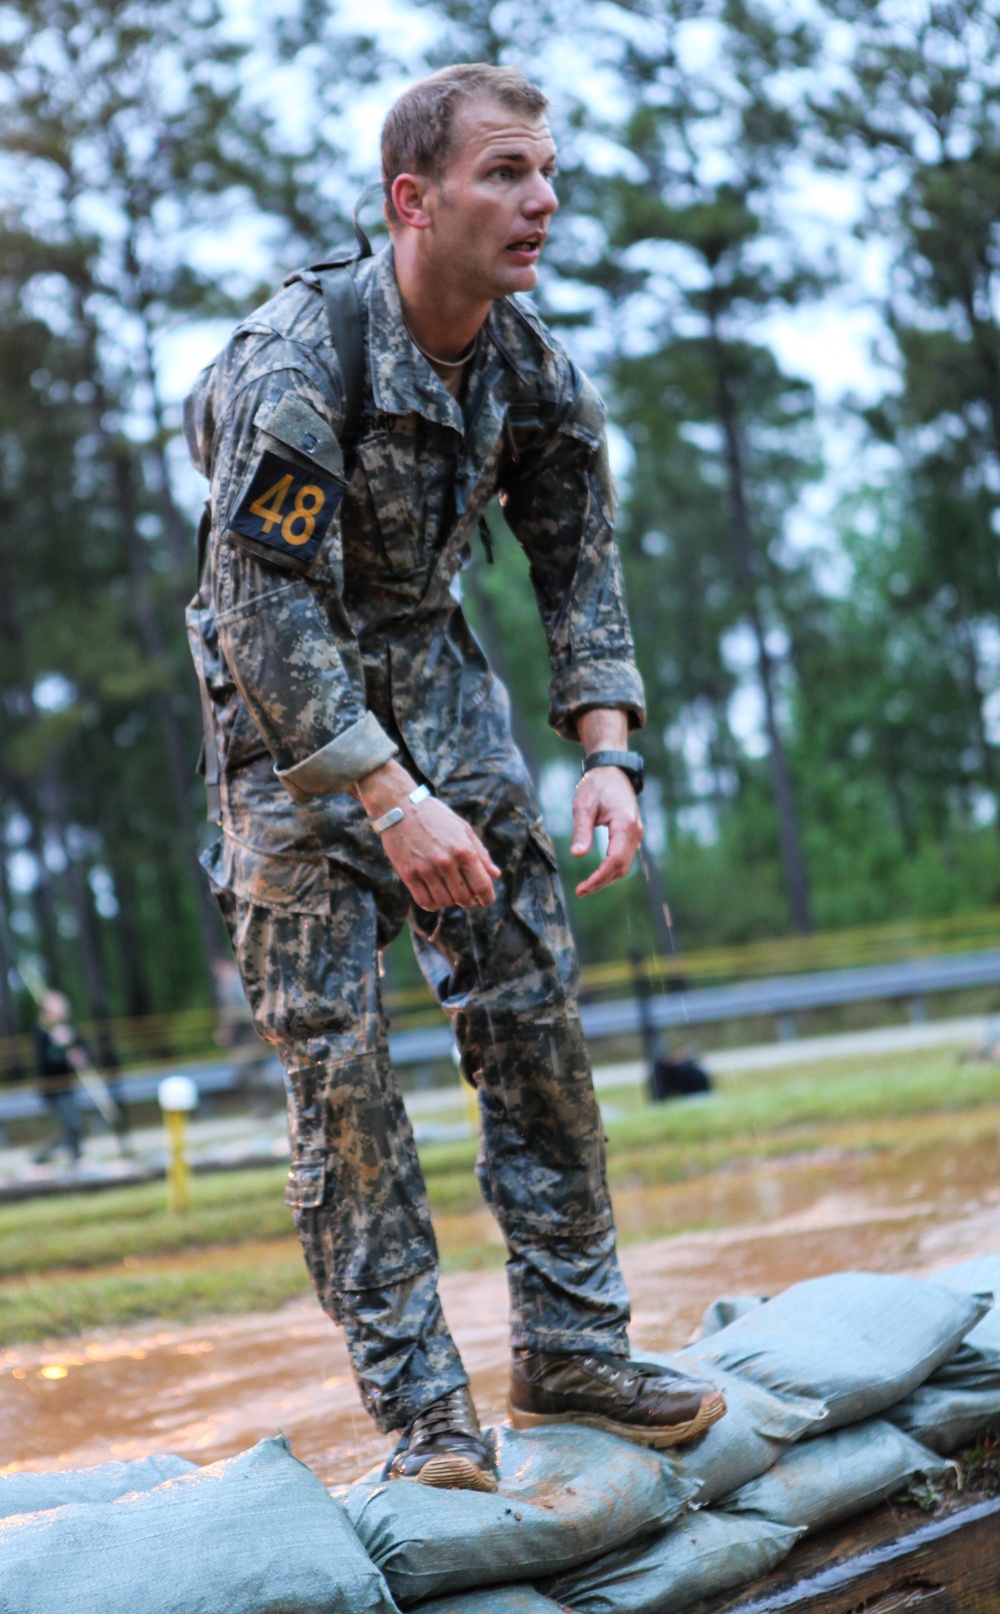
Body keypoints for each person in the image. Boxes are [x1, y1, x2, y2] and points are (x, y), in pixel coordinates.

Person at [184, 62, 726, 1493]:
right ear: (411, 200)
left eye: (547, 171)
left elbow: (576, 554)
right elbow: (260, 610)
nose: (541, 199)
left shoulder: (528, 362)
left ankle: (573, 1345)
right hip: (279, 713)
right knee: (341, 1063)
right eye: (505, 172)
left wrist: (609, 756)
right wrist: (383, 795)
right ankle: (427, 1414)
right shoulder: (298, 359)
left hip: (431, 666)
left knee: (531, 992)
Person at [33, 991, 86, 1165]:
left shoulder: (67, 1029)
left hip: (67, 1084)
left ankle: (70, 1157)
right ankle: (55, 1157)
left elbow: (82, 1048)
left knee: (74, 1126)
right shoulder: (42, 1032)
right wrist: (57, 1046)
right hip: (52, 1087)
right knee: (72, 1125)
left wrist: (78, 1053)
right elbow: (45, 1062)